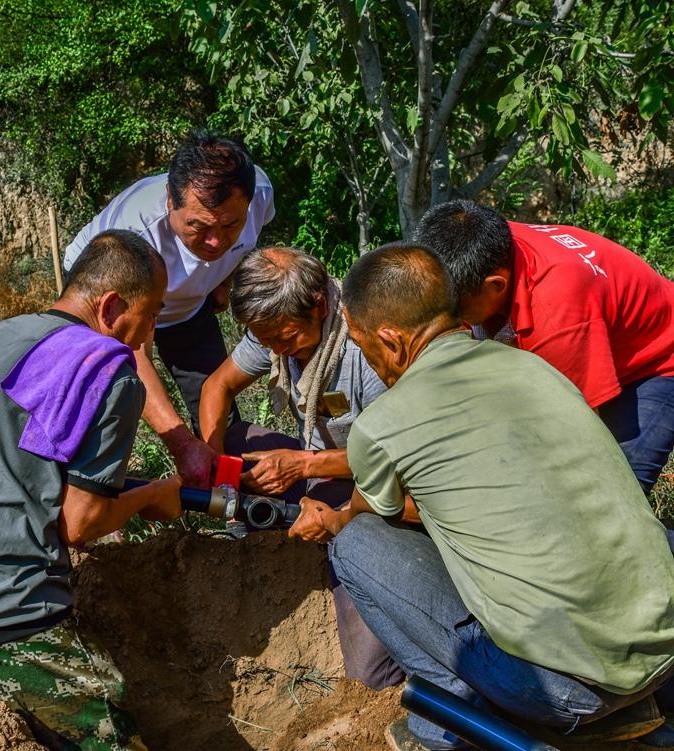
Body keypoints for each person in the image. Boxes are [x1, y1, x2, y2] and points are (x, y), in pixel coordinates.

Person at [289, 242, 674, 750]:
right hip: (662, 649)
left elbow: (369, 513)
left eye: (363, 345)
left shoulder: (383, 424)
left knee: (358, 546)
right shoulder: (536, 368)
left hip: (567, 693)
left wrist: (335, 520)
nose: (368, 358)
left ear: (391, 339)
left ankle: (453, 724)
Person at [0, 229, 182, 749]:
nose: (148, 335)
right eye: (152, 313)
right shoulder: (109, 374)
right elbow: (81, 524)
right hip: (1, 620)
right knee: (112, 733)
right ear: (112, 306)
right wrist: (153, 494)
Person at [199, 245, 402, 690]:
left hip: (376, 488)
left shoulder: (365, 346)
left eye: (285, 338)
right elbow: (218, 386)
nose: (275, 349)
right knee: (236, 442)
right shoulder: (273, 324)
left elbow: (395, 458)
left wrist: (303, 465)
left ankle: (349, 556)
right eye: (265, 340)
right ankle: (263, 531)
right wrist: (214, 461)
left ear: (321, 304)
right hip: (318, 466)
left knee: (368, 676)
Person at [416, 200, 674, 495]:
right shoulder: (477, 243)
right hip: (598, 331)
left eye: (456, 309)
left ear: (496, 286)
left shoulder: (557, 314)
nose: (448, 317)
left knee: (613, 490)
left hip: (657, 361)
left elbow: (570, 429)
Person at [64, 131, 275, 488]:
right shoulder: (135, 234)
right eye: (199, 227)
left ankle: (227, 493)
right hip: (107, 297)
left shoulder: (259, 193)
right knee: (111, 399)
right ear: (169, 201)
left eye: (229, 226)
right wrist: (180, 445)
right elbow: (132, 352)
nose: (216, 241)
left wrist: (222, 280)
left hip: (188, 305)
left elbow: (249, 239)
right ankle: (95, 493)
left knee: (215, 401)